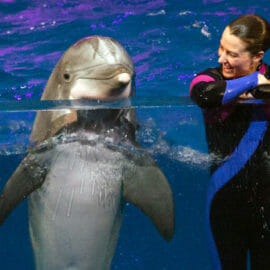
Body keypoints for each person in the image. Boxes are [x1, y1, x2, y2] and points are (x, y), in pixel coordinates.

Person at [189, 14, 270, 270]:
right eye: (222, 48)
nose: (221, 58)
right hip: (224, 203)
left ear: (257, 56)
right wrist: (252, 81)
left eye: (232, 54)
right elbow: (202, 95)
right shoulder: (210, 78)